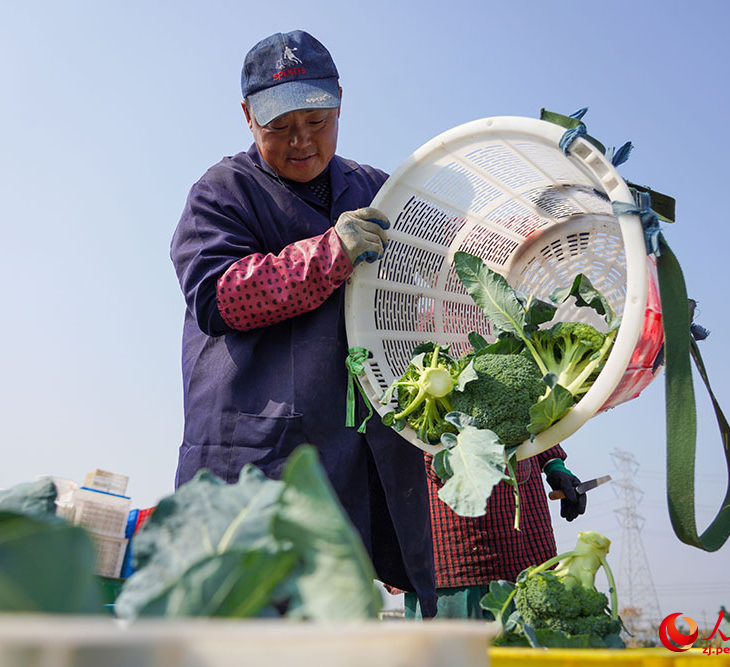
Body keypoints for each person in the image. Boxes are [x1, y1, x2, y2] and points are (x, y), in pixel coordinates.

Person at [169, 30, 437, 617]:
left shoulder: (375, 190)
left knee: (333, 625)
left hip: (351, 459)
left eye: (316, 120)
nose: (300, 141)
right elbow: (219, 297)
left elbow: (433, 289)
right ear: (247, 117)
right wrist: (329, 254)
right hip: (252, 459)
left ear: (340, 101)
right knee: (242, 625)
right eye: (279, 125)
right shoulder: (222, 192)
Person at [403, 447, 588, 619]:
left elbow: (537, 420)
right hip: (451, 540)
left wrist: (553, 464)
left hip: (523, 533)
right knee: (450, 649)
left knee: (527, 643)